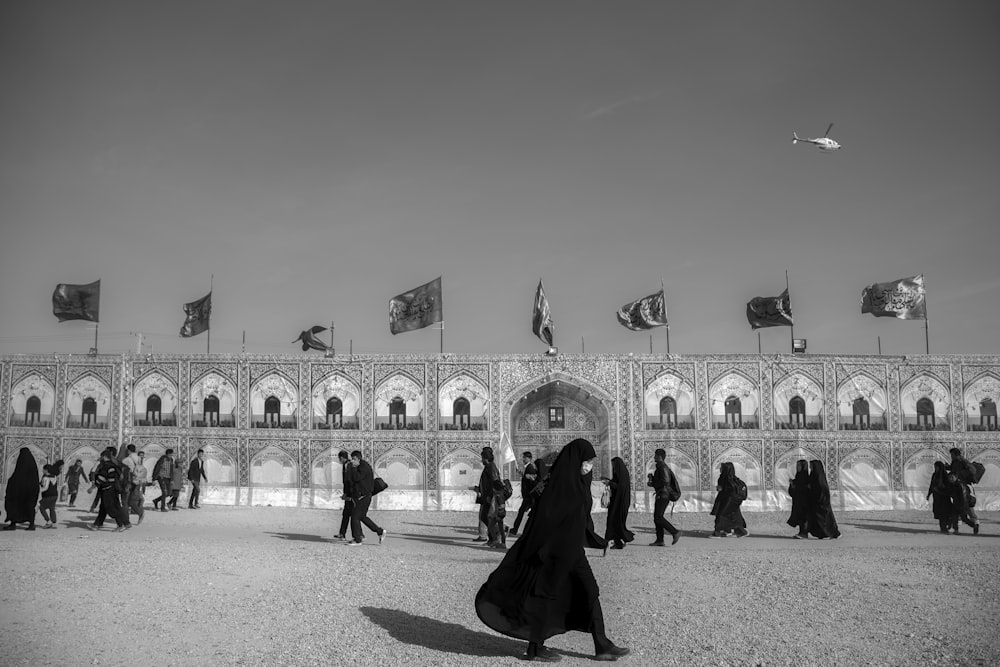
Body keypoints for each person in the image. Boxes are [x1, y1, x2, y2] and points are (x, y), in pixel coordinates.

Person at [475, 438, 630, 663]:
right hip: (553, 554)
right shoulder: (559, 488)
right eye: (586, 461)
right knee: (544, 597)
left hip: (573, 553)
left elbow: (581, 521)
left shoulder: (576, 484)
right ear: (575, 460)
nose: (589, 466)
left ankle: (602, 644)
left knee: (590, 592)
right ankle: (534, 648)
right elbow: (545, 521)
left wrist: (594, 540)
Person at [347, 450, 387, 546]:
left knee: (355, 517)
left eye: (353, 459)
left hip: (364, 496)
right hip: (364, 495)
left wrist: (352, 468)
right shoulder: (362, 466)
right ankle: (380, 531)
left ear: (357, 459)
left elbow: (356, 478)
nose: (352, 461)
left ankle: (358, 539)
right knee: (362, 517)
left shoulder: (363, 467)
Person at [471, 447, 504, 549]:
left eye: (482, 458)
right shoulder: (489, 467)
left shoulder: (491, 467)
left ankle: (498, 536)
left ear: (486, 458)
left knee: (488, 518)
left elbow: (495, 483)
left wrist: (490, 496)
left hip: (490, 498)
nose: (481, 460)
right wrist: (479, 489)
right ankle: (492, 540)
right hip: (486, 497)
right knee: (486, 518)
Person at [646, 449, 681, 547]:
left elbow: (665, 482)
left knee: (658, 517)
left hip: (663, 495)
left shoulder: (662, 467)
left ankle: (675, 532)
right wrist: (652, 480)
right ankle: (659, 540)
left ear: (659, 457)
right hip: (661, 494)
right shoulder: (660, 467)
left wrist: (653, 483)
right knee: (657, 517)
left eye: (655, 456)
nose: (654, 457)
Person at [89, 450, 128, 532]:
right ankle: (97, 524)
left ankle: (120, 525)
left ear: (104, 457)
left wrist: (93, 487)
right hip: (113, 489)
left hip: (108, 490)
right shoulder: (113, 465)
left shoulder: (106, 466)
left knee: (111, 508)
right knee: (103, 508)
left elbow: (102, 478)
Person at [3, 447, 40, 531]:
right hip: (30, 492)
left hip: (18, 491)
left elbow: (16, 478)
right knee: (29, 507)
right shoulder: (33, 466)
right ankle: (31, 525)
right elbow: (35, 481)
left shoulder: (20, 465)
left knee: (15, 505)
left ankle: (13, 523)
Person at [709, 461, 748, 538]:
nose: (720, 469)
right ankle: (736, 531)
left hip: (728, 500)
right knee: (734, 516)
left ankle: (718, 533)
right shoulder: (734, 479)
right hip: (734, 501)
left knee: (722, 515)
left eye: (722, 468)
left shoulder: (724, 478)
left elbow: (720, 489)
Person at [603, 457, 634, 550]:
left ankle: (621, 540)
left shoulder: (623, 474)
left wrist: (610, 483)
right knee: (614, 522)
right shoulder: (619, 474)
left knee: (615, 521)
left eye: (613, 465)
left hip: (620, 503)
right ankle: (618, 542)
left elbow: (621, 487)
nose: (613, 467)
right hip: (616, 502)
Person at [947, 448, 980, 535]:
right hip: (957, 486)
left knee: (968, 506)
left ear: (957, 455)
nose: (951, 457)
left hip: (965, 486)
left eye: (952, 455)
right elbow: (952, 470)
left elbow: (972, 470)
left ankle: (975, 523)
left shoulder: (964, 462)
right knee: (956, 506)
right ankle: (956, 527)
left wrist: (961, 474)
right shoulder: (955, 462)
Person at [805, 460, 840, 539]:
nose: (810, 468)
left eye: (811, 466)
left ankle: (829, 533)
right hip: (815, 503)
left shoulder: (819, 478)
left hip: (821, 503)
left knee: (824, 520)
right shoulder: (813, 476)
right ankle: (822, 534)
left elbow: (822, 491)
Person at [510, 451, 538, 537]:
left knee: (523, 512)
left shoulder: (530, 468)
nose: (523, 459)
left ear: (529, 458)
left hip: (528, 497)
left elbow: (532, 482)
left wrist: (528, 494)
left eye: (524, 457)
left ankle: (515, 530)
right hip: (527, 496)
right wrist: (522, 475)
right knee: (525, 513)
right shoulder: (527, 468)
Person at [927, 461, 956, 534]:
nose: (935, 468)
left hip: (944, 498)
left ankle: (948, 525)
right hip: (937, 498)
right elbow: (932, 485)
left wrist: (940, 490)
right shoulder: (935, 475)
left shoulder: (945, 475)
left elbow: (948, 486)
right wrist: (929, 494)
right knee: (939, 513)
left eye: (937, 467)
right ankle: (943, 528)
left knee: (945, 513)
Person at [786, 459, 810, 539]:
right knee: (800, 517)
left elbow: (805, 489)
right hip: (798, 501)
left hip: (804, 502)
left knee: (804, 517)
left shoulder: (807, 479)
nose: (797, 467)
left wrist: (795, 486)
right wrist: (792, 484)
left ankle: (804, 533)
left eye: (799, 466)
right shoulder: (798, 477)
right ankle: (801, 532)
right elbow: (793, 491)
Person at [335, 450, 354, 541]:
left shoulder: (349, 465)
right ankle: (342, 533)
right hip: (348, 492)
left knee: (355, 515)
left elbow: (349, 481)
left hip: (351, 493)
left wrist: (347, 494)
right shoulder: (347, 465)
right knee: (346, 513)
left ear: (342, 458)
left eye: (340, 458)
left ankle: (360, 535)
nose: (339, 460)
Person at [39, 461, 63, 528]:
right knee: (52, 508)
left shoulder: (46, 478)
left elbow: (45, 487)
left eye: (43, 469)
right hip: (55, 495)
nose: (42, 470)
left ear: (46, 470)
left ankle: (48, 522)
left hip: (47, 495)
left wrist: (39, 490)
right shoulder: (54, 476)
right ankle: (54, 523)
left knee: (42, 507)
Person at [129, 451, 150, 525]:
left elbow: (140, 477)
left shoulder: (140, 467)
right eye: (140, 456)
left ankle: (140, 512)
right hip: (133, 484)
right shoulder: (137, 466)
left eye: (142, 456)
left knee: (131, 501)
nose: (141, 458)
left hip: (136, 485)